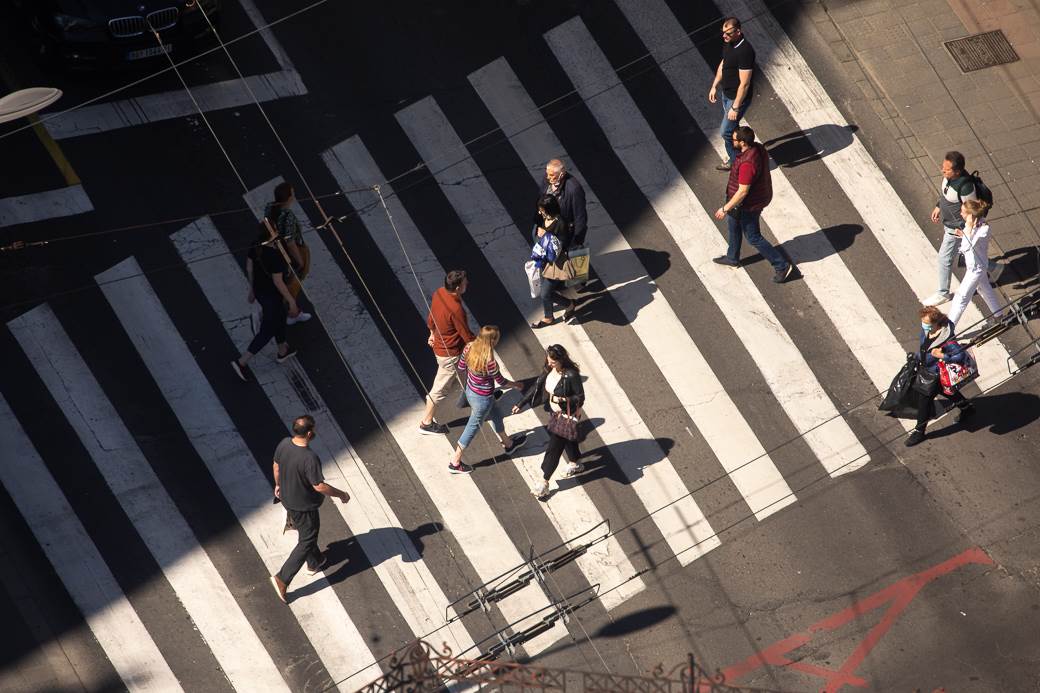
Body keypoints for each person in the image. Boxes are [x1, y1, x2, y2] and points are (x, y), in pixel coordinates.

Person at [270, 415, 350, 603]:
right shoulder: (309, 458)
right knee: (307, 539)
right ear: (309, 432)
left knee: (308, 533)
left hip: (287, 497)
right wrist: (341, 494)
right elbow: (319, 486)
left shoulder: (284, 444)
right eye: (314, 429)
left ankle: (315, 562)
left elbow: (276, 466)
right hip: (303, 505)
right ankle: (282, 578)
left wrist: (278, 484)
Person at [713, 126, 795, 283]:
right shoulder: (757, 148)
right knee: (733, 225)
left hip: (748, 204)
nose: (732, 141)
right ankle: (732, 257)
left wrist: (725, 208)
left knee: (753, 237)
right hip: (747, 200)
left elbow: (743, 191)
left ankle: (781, 265)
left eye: (734, 139)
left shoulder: (747, 164)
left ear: (743, 142)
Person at [231, 224, 310, 383]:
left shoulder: (256, 245)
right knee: (267, 330)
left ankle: (283, 350)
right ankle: (241, 362)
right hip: (271, 297)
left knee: (279, 318)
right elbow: (278, 282)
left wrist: (252, 289)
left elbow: (249, 267)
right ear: (273, 235)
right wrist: (291, 301)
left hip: (260, 292)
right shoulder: (275, 255)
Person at [448, 326, 527, 474]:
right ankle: (455, 462)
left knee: (496, 412)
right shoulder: (489, 361)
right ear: (492, 341)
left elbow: (461, 367)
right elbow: (501, 382)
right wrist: (516, 385)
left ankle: (508, 443)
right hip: (482, 399)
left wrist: (473, 381)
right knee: (472, 428)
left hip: (472, 391)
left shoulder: (468, 347)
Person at [512, 344, 585, 501]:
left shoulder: (571, 375)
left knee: (554, 447)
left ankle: (544, 482)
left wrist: (562, 399)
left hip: (565, 414)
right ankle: (576, 462)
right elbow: (537, 384)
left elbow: (580, 397)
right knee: (566, 438)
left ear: (561, 360)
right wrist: (521, 403)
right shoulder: (549, 367)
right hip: (554, 412)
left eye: (553, 362)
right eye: (549, 360)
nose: (549, 364)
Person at [905, 306, 975, 447]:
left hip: (935, 374)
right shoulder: (928, 331)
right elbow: (925, 348)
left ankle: (919, 431)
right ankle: (967, 408)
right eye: (922, 322)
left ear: (936, 324)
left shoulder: (947, 339)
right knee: (946, 391)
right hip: (927, 368)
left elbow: (960, 355)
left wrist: (942, 356)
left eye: (927, 323)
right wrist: (917, 357)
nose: (923, 325)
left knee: (924, 401)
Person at [419, 270, 475, 435]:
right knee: (440, 388)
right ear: (458, 287)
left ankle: (473, 397)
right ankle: (426, 423)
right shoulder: (456, 309)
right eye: (465, 282)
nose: (467, 284)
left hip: (443, 347)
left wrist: (432, 333)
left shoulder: (439, 293)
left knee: (467, 371)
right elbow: (465, 334)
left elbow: (432, 317)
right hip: (450, 353)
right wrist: (481, 343)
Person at [924, 152, 978, 306]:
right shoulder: (949, 178)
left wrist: (967, 232)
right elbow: (945, 194)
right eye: (943, 167)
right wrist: (938, 206)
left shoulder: (966, 187)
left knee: (944, 258)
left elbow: (973, 212)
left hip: (957, 230)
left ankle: (943, 293)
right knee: (968, 258)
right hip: (950, 225)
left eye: (947, 170)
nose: (943, 171)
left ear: (958, 171)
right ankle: (994, 270)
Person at [708, 17, 755, 171]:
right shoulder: (729, 44)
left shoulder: (745, 51)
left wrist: (735, 107)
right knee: (732, 128)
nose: (724, 36)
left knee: (726, 131)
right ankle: (746, 147)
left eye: (728, 33)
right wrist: (715, 85)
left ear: (738, 32)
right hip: (726, 94)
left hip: (736, 99)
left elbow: (745, 83)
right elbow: (724, 64)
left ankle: (735, 161)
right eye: (723, 33)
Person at [946, 199, 1003, 327]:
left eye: (963, 212)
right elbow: (969, 241)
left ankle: (949, 330)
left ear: (971, 215)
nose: (961, 214)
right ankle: (999, 315)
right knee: (984, 289)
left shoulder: (984, 229)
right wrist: (964, 233)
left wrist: (968, 228)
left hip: (976, 269)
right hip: (976, 266)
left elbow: (966, 247)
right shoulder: (973, 226)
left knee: (961, 297)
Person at [530, 195, 577, 329]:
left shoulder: (560, 223)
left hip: (554, 263)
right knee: (545, 291)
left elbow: (560, 245)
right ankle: (549, 315)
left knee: (545, 293)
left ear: (549, 209)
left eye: (542, 210)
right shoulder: (543, 217)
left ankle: (568, 305)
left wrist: (544, 235)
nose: (540, 212)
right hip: (543, 260)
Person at [264, 181, 311, 315]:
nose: (294, 195)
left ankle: (290, 307)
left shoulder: (269, 207)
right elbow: (290, 242)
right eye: (293, 193)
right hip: (292, 250)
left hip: (276, 249)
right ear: (289, 198)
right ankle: (291, 310)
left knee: (285, 279)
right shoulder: (288, 216)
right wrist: (300, 261)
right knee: (295, 279)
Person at [540, 159, 588, 249]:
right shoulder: (547, 179)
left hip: (563, 236)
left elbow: (580, 217)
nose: (547, 177)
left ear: (561, 174)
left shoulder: (574, 189)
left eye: (551, 175)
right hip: (546, 230)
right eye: (547, 173)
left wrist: (576, 242)